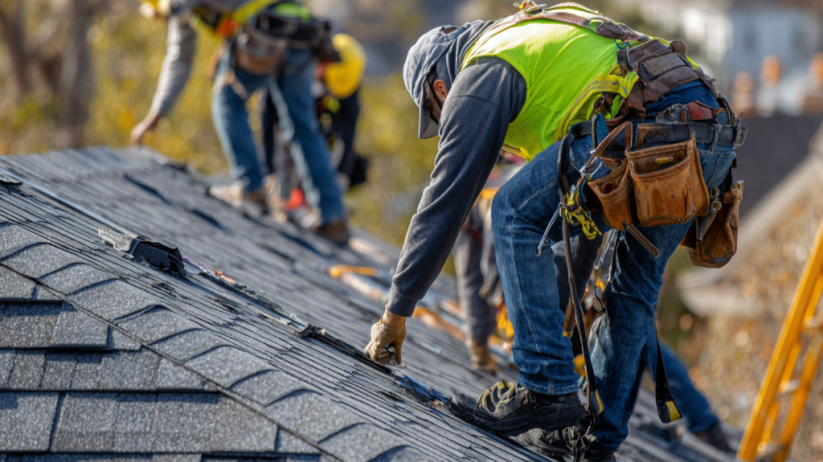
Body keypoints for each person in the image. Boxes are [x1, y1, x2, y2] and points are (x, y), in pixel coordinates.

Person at [363, 3, 744, 460]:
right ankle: (596, 440)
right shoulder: (531, 43)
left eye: (438, 115)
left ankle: (544, 387)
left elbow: (446, 202)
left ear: (440, 88)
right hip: (709, 135)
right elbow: (577, 228)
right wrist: (555, 327)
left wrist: (395, 312)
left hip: (653, 126)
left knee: (510, 209)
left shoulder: (481, 71)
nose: (450, 127)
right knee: (634, 289)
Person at [131, 0, 349, 244]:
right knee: (301, 125)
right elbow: (180, 60)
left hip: (270, 29)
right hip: (303, 32)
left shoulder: (177, 5)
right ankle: (333, 217)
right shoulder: (185, 12)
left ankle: (250, 187)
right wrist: (156, 114)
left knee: (227, 102)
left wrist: (166, 8)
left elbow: (179, 8)